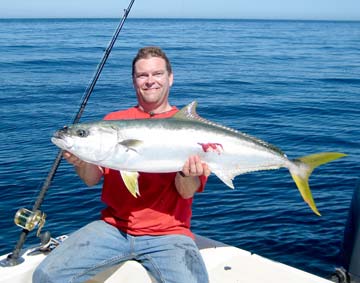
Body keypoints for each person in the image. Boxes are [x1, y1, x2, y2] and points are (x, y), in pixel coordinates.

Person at [33, 46, 210, 283]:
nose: (150, 81)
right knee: (46, 276)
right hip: (114, 228)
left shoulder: (196, 132)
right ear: (134, 81)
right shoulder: (113, 121)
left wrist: (188, 174)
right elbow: (91, 179)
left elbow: (186, 191)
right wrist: (80, 160)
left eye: (157, 74)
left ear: (170, 78)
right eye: (142, 75)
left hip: (170, 234)